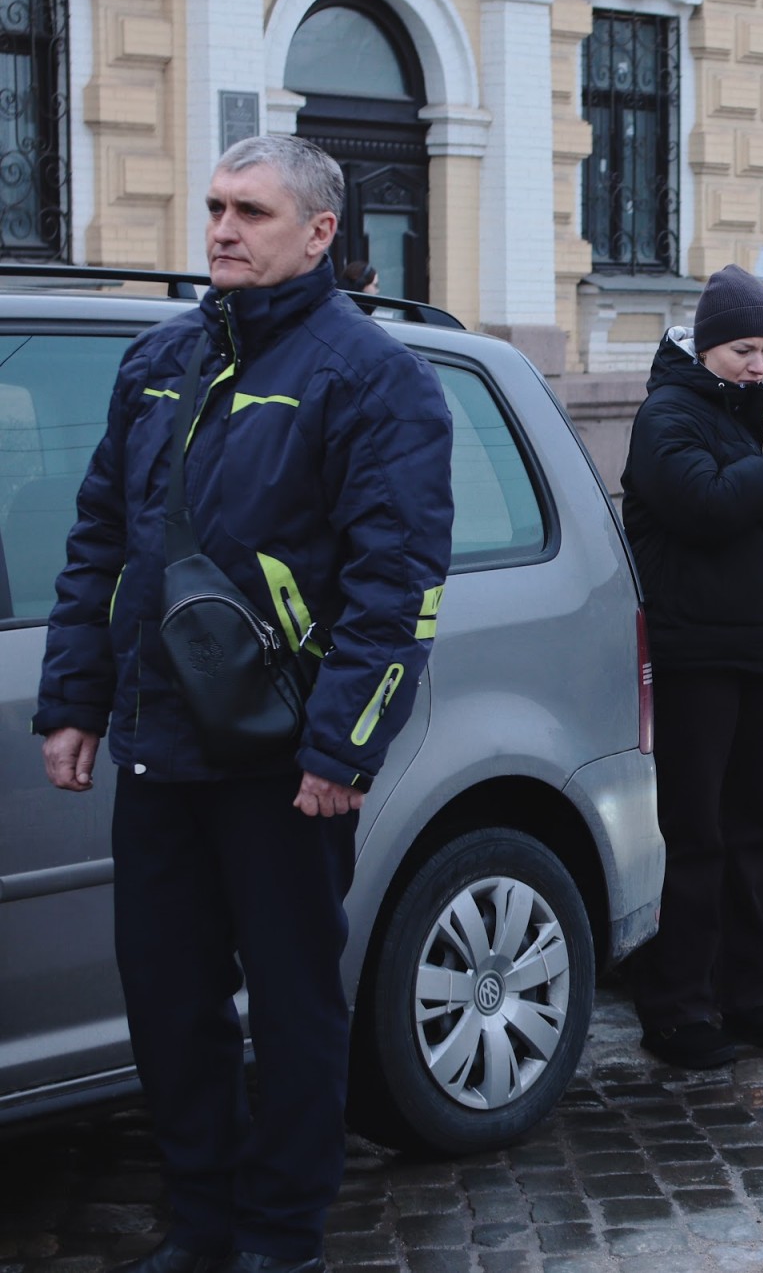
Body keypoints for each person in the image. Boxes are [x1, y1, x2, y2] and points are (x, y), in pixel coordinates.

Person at [35, 135, 454, 1273]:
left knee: (293, 1007)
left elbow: (395, 585)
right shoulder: (157, 361)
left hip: (285, 768)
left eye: (251, 212)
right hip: (158, 751)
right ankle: (203, 1223)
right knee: (170, 1011)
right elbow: (98, 547)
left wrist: (341, 749)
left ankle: (277, 1234)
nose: (222, 228)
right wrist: (72, 702)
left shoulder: (374, 378)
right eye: (216, 207)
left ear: (318, 234)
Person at [620, 264, 763, 1070]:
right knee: (697, 835)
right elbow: (701, 507)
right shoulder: (666, 415)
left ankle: (754, 994)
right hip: (700, 657)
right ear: (710, 345)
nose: (760, 365)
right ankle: (678, 1007)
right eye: (745, 350)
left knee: (760, 832)